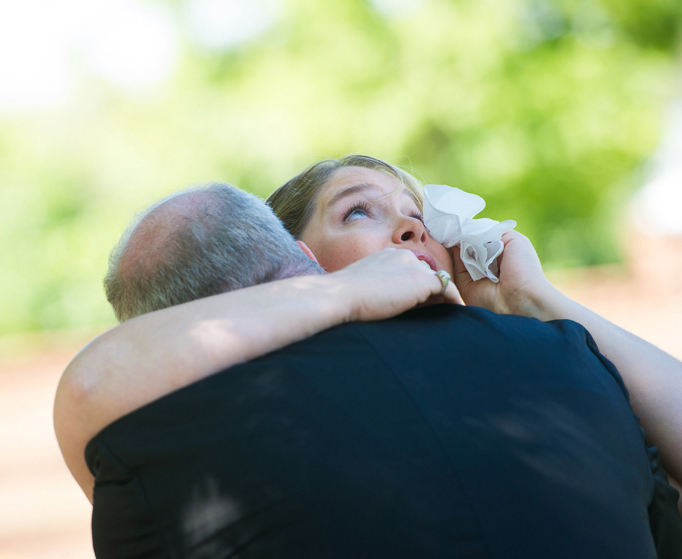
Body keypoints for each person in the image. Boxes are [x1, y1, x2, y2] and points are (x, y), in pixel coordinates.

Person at [54, 179, 682, 557]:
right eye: (358, 211)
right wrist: (346, 293)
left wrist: (536, 303)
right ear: (305, 260)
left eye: (421, 212)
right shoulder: (193, 432)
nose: (414, 229)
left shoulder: (561, 356)